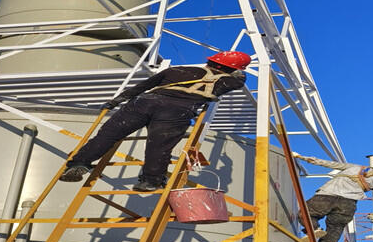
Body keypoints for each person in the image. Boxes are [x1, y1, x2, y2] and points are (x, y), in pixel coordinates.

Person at [60, 51, 251, 191]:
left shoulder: (176, 70)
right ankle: (150, 181)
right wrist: (238, 73)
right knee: (159, 146)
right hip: (176, 111)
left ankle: (79, 163)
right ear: (234, 69)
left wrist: (116, 100)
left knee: (108, 136)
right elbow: (241, 79)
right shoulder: (228, 81)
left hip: (143, 103)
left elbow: (144, 86)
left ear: (209, 60)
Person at [291, 153, 373, 242]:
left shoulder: (357, 168)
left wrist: (303, 157)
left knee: (306, 213)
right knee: (337, 225)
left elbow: (329, 164)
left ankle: (314, 229)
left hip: (328, 195)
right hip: (349, 202)